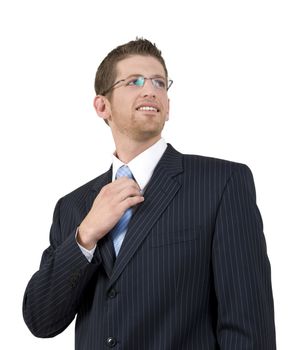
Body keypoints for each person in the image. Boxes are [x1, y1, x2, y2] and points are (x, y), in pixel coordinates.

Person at [23, 38, 276, 349]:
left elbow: (249, 327)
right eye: (134, 82)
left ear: (167, 106)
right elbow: (41, 321)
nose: (151, 90)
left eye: (159, 82)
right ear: (103, 106)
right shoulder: (73, 208)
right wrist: (86, 235)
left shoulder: (221, 184)